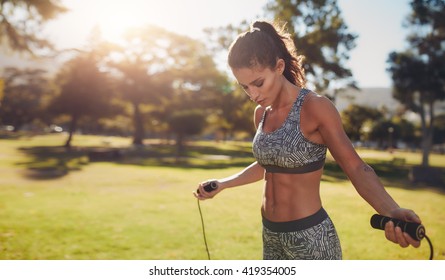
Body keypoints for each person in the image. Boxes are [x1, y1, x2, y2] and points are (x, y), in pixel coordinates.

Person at [194, 20, 421, 260]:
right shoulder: (262, 113)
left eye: (258, 83)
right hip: (271, 235)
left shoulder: (315, 107)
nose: (253, 94)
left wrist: (391, 210)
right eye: (244, 87)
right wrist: (223, 184)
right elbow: (269, 165)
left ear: (279, 66)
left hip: (312, 239)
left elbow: (356, 167)